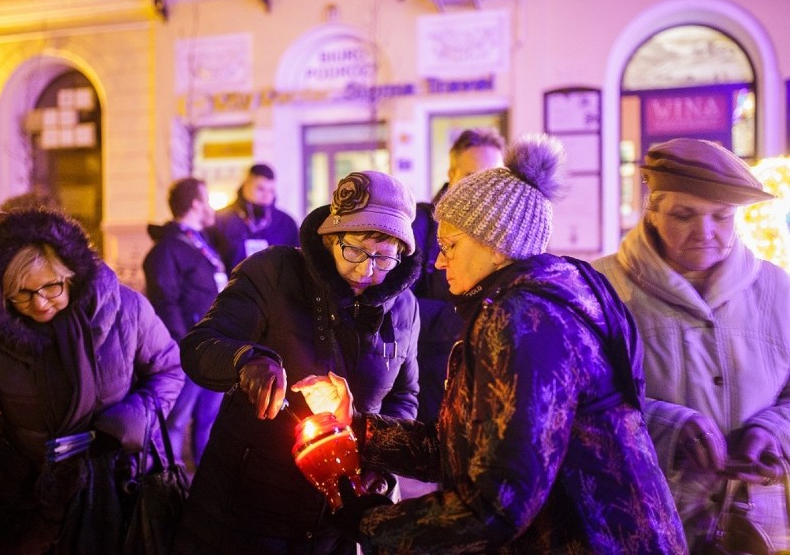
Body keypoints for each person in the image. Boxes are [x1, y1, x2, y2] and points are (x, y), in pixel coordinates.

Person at [292, 134, 688, 553]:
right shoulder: (556, 293)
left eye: (450, 246)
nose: (438, 261)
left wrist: (373, 522)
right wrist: (358, 431)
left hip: (591, 540)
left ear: (495, 244)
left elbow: (500, 503)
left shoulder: (524, 320)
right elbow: (461, 449)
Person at [172, 170, 422, 555]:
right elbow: (200, 345)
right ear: (330, 237)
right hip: (248, 508)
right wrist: (247, 361)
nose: (366, 270)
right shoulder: (273, 273)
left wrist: (380, 462)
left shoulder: (404, 308)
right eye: (354, 250)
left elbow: (403, 395)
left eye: (384, 257)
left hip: (336, 518)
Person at [0, 208, 184, 554]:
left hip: (121, 486)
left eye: (50, 286)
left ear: (70, 274)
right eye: (21, 293)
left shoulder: (125, 310)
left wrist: (129, 420)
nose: (39, 303)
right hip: (29, 499)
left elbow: (169, 370)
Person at [592, 138, 790, 551]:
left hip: (753, 527)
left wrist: (773, 430)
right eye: (684, 215)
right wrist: (666, 425)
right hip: (644, 520)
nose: (704, 231)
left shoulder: (777, 289)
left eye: (721, 216)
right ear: (653, 210)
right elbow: (578, 398)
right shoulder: (601, 286)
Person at [411, 127, 505, 422]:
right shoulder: (419, 226)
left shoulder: (505, 233)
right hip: (431, 389)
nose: (483, 190)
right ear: (452, 174)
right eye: (472, 178)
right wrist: (469, 319)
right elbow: (397, 306)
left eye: (493, 180)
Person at [143, 177, 227, 468]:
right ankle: (171, 481)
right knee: (177, 418)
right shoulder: (167, 249)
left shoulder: (197, 243)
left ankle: (206, 481)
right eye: (207, 200)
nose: (211, 208)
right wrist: (186, 343)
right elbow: (165, 301)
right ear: (194, 204)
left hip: (213, 346)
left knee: (210, 419)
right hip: (190, 349)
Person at [211, 163, 299, 271]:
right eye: (260, 189)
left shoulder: (286, 223)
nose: (266, 195)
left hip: (275, 286)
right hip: (234, 285)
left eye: (271, 190)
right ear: (246, 185)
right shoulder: (221, 219)